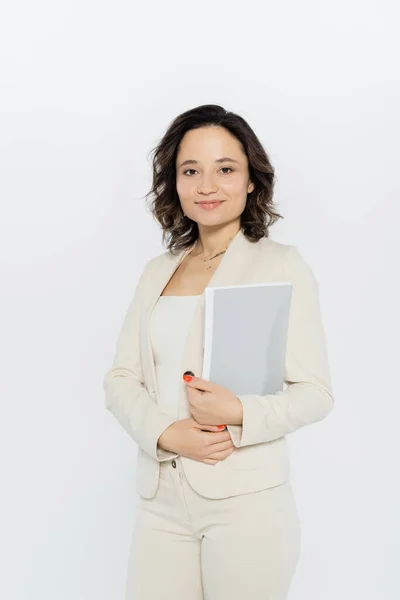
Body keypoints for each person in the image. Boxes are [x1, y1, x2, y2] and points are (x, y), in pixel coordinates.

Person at [103, 104, 334, 600]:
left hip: (247, 502)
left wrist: (239, 412)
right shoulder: (156, 271)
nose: (207, 185)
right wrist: (165, 432)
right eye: (191, 171)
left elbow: (315, 393)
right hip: (160, 499)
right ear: (175, 182)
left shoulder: (281, 266)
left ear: (252, 180)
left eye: (225, 169)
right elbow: (121, 378)